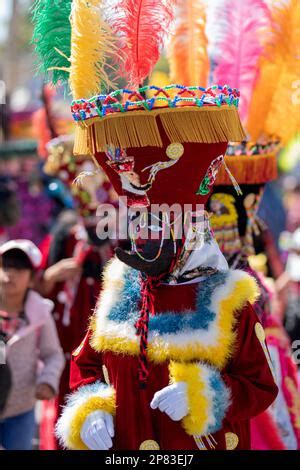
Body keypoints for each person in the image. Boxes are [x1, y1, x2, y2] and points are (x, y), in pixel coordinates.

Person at [0, 240, 65, 450]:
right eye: (5, 266)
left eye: (19, 268)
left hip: (21, 409)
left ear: (31, 279)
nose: (10, 274)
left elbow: (53, 354)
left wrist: (47, 380)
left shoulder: (40, 313)